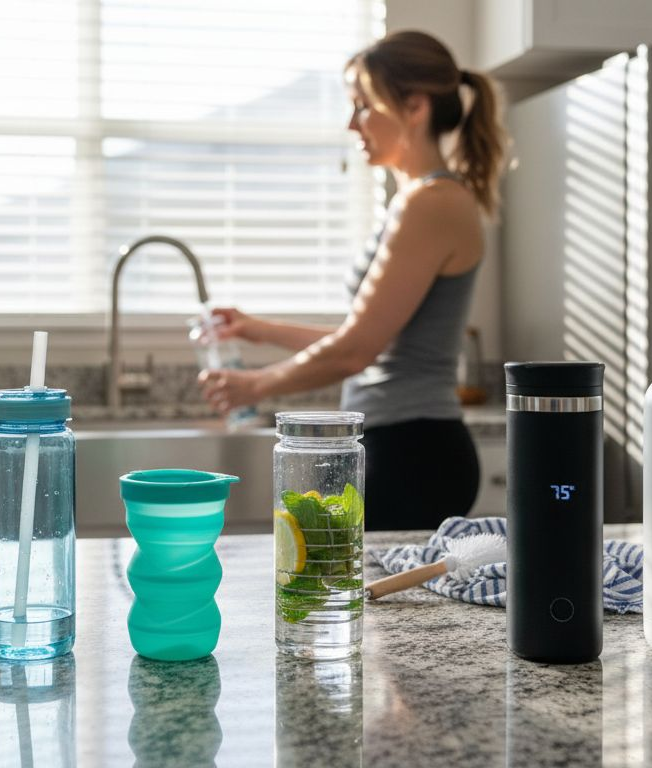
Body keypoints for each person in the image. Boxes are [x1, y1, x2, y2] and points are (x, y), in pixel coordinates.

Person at [198, 30, 509, 531]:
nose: (352, 123)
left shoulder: (430, 203)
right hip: (409, 447)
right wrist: (259, 330)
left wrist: (254, 385)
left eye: (363, 106)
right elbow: (372, 341)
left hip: (413, 453)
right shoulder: (420, 201)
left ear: (414, 106)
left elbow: (355, 352)